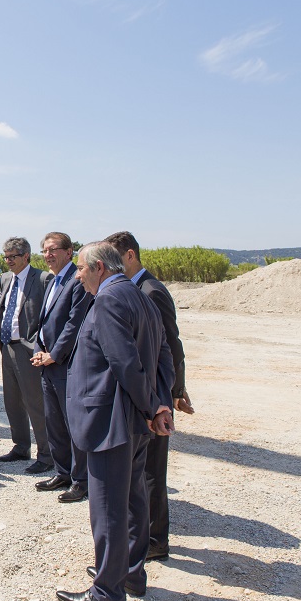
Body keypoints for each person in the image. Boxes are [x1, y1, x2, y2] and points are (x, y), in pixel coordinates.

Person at [57, 242, 174, 601]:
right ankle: (129, 574)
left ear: (99, 269)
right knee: (133, 499)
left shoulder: (109, 300)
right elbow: (163, 357)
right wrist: (157, 405)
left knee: (108, 505)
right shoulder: (141, 296)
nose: (77, 276)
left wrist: (149, 405)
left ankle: (108, 590)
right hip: (135, 420)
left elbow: (124, 362)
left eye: (80, 269)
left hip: (111, 418)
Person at [105, 230, 193, 562]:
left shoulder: (151, 291)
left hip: (154, 398)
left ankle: (156, 540)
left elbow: (171, 346)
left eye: (113, 259)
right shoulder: (134, 289)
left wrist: (174, 394)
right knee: (140, 472)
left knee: (153, 472)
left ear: (130, 256)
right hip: (146, 395)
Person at [30, 233, 92, 501]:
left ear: (69, 252)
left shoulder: (75, 280)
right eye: (44, 250)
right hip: (48, 363)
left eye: (53, 249)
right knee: (53, 421)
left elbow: (74, 323)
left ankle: (81, 480)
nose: (48, 255)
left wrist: (53, 354)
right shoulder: (53, 281)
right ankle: (63, 471)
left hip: (66, 364)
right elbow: (45, 323)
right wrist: (38, 350)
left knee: (72, 423)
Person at [0, 236, 52, 473]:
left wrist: (40, 346)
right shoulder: (6, 278)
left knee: (35, 402)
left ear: (26, 256)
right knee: (13, 401)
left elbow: (50, 315)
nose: (8, 261)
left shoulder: (42, 279)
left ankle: (46, 455)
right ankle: (20, 446)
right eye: (5, 257)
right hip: (8, 346)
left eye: (13, 257)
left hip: (29, 349)